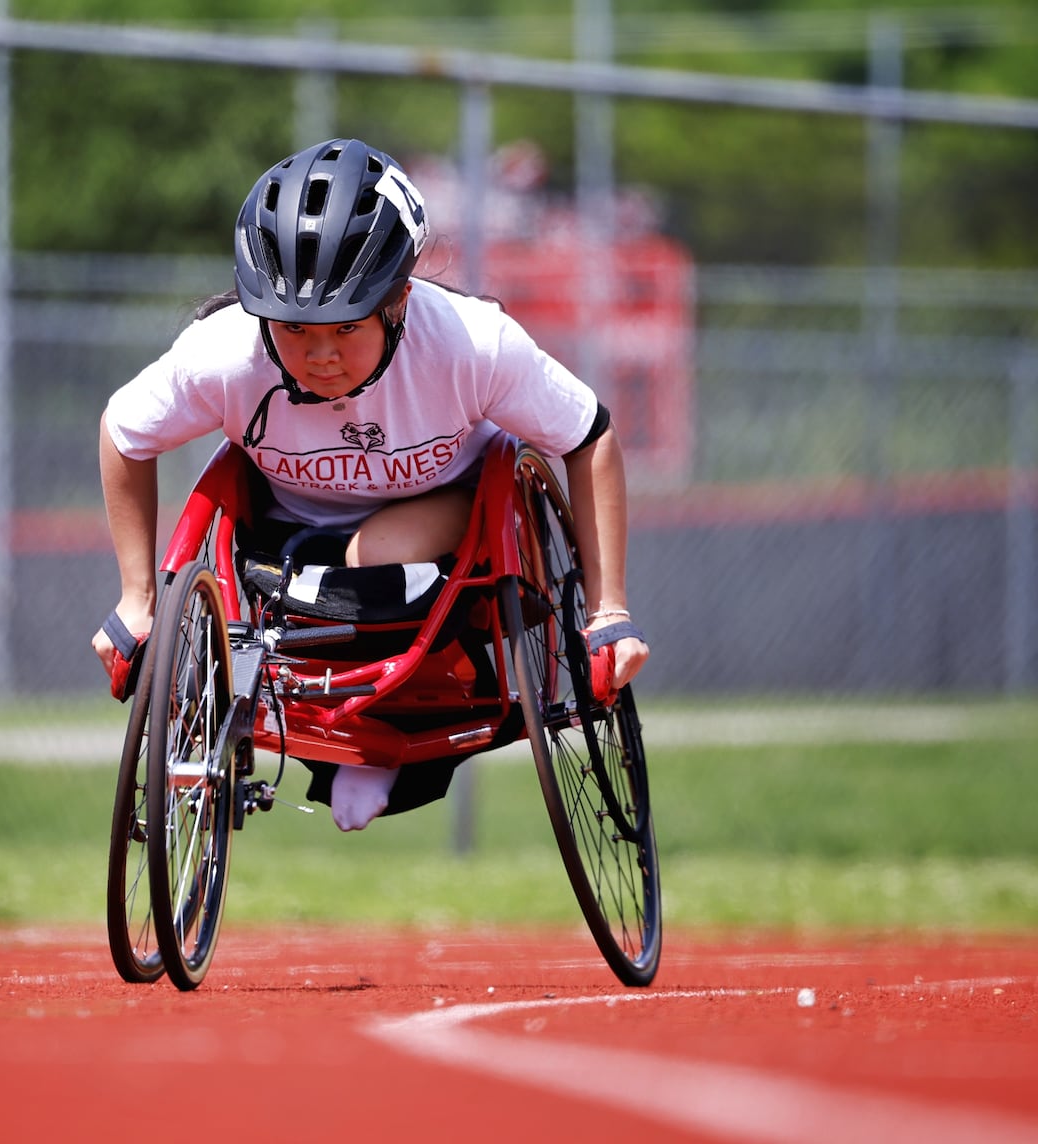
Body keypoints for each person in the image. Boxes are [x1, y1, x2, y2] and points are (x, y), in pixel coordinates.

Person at [91, 138, 649, 831]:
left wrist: (608, 611)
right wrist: (138, 599)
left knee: (371, 557)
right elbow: (124, 432)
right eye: (294, 330)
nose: (320, 355)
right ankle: (330, 723)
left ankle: (371, 743)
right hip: (283, 538)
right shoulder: (226, 355)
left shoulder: (473, 346)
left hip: (447, 528)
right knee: (319, 567)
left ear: (399, 302)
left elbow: (588, 436)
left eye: (346, 328)